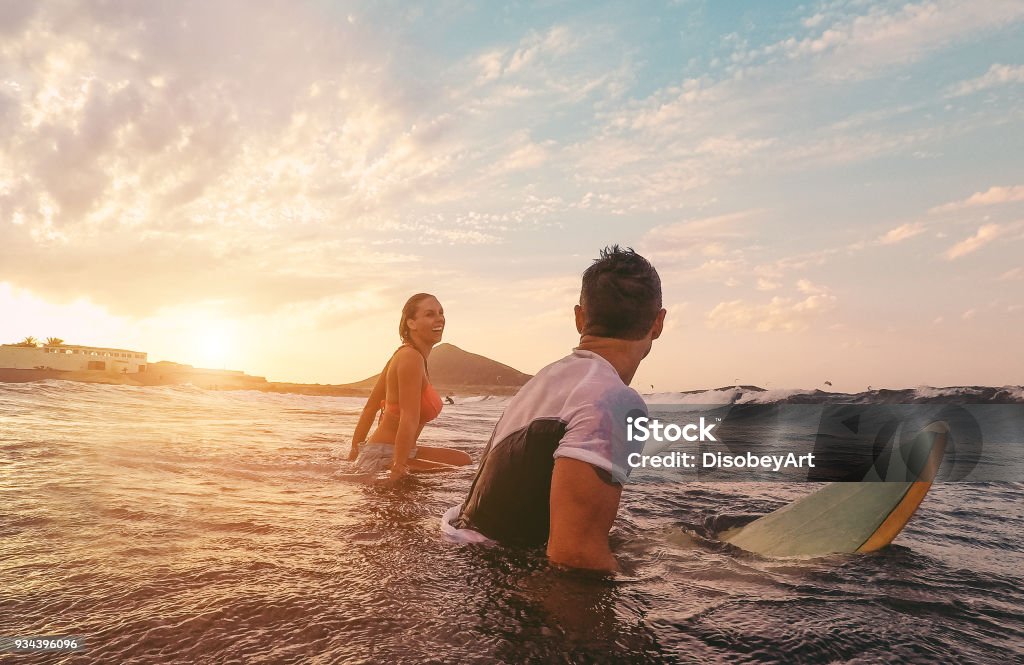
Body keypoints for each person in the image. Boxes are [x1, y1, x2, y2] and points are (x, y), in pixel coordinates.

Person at [443, 246, 665, 571]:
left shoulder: (544, 381)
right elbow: (574, 555)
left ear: (580, 318)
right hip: (504, 591)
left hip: (466, 562)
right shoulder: (614, 400)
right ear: (658, 324)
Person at [347, 293, 472, 481]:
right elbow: (408, 418)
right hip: (386, 455)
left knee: (464, 461)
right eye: (430, 314)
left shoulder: (407, 355)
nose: (439, 318)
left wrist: (354, 455)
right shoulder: (410, 358)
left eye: (441, 312)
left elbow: (370, 407)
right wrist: (398, 468)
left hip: (395, 451)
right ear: (411, 323)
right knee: (462, 475)